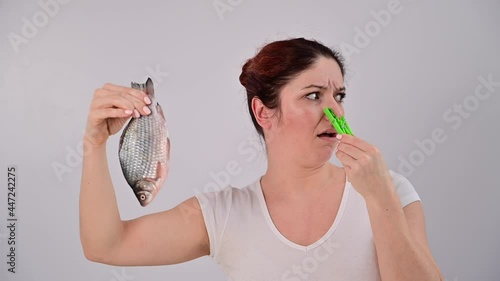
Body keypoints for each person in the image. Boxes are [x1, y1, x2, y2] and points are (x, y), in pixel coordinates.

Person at [79, 37, 444, 281]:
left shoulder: (391, 191)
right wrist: (94, 144)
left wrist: (382, 202)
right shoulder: (224, 214)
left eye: (339, 95)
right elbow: (105, 245)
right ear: (264, 112)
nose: (335, 110)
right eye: (314, 95)